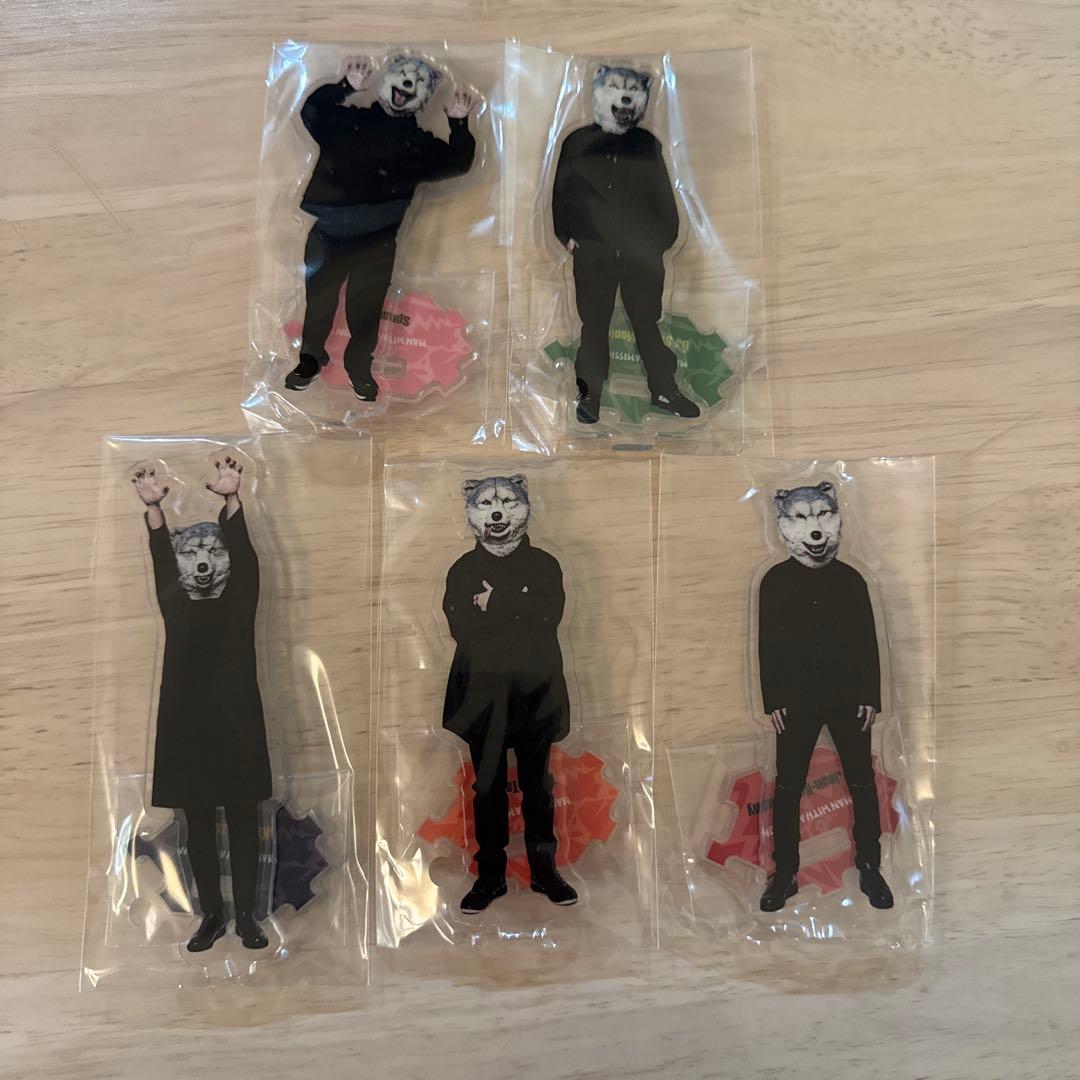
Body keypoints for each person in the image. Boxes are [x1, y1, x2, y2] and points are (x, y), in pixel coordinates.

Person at [132, 457, 272, 951]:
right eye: (192, 555)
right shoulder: (176, 605)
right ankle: (211, 915)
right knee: (197, 829)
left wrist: (233, 500)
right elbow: (161, 562)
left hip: (236, 724)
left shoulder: (240, 602)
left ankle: (248, 917)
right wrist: (154, 512)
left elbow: (247, 560)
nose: (204, 562)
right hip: (187, 726)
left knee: (244, 822)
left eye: (215, 552)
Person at [286, 55, 478, 401]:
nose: (408, 84)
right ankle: (310, 360)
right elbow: (311, 112)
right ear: (385, 82)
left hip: (377, 242)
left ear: (424, 98)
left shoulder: (418, 144)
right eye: (402, 76)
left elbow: (458, 162)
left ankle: (358, 366)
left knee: (366, 309)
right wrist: (345, 86)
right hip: (328, 233)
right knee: (319, 302)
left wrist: (458, 122)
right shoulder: (347, 121)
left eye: (418, 82)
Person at [441, 475, 578, 913]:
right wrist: (518, 603)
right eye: (485, 503)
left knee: (538, 788)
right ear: (470, 510)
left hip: (536, 692)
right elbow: (463, 627)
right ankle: (490, 876)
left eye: (506, 501)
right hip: (482, 696)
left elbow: (547, 617)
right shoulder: (462, 570)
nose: (497, 512)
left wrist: (493, 602)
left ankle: (544, 871)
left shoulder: (545, 565)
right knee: (487, 789)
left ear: (525, 505)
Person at [756, 482, 894, 912]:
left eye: (822, 515)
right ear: (783, 523)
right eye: (800, 518)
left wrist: (869, 694)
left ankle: (870, 866)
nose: (814, 529)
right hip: (795, 701)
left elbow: (867, 641)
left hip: (849, 698)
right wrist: (773, 698)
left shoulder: (851, 580)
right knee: (788, 785)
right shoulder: (774, 581)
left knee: (861, 781)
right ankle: (784, 874)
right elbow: (768, 644)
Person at [552, 64, 700, 423]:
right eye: (616, 87)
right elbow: (561, 192)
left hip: (641, 256)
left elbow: (663, 197)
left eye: (634, 90)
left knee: (647, 323)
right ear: (599, 92)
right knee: (593, 327)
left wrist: (660, 241)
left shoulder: (646, 145)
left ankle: (664, 390)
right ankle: (590, 396)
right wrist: (566, 235)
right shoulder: (577, 143)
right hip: (593, 255)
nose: (625, 96)